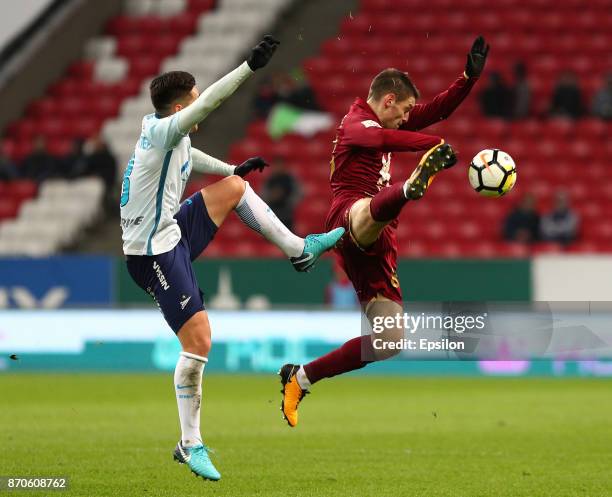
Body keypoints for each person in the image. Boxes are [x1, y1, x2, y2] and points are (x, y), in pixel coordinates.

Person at [119, 35, 344, 481]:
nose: (199, 106)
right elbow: (202, 112)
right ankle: (190, 443)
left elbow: (190, 154)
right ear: (181, 109)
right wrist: (248, 68)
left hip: (172, 233)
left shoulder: (163, 130)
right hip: (151, 254)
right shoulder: (167, 129)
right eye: (193, 102)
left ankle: (300, 250)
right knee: (199, 341)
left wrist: (231, 170)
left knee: (237, 189)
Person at [279, 36, 489, 427]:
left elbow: (438, 111)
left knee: (389, 340)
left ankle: (301, 377)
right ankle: (409, 189)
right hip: (348, 213)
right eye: (404, 110)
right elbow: (377, 138)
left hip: (380, 236)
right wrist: (432, 145)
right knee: (364, 214)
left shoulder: (389, 120)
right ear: (388, 100)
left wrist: (468, 79)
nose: (406, 118)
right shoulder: (355, 122)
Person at [261, 159, 302, 231]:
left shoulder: (289, 179)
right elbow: (263, 195)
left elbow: (299, 193)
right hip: (272, 213)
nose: (278, 167)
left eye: (280, 165)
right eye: (276, 165)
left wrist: (287, 200)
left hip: (286, 213)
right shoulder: (270, 180)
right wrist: (271, 197)